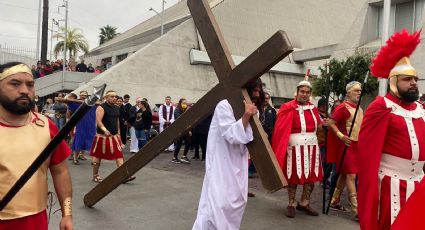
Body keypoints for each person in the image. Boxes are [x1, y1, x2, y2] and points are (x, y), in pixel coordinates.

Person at [357, 29, 425, 230]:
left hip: (419, 184)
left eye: (415, 79)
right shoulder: (381, 107)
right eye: (407, 79)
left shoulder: (421, 110)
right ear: (394, 82)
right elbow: (367, 151)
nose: (413, 83)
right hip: (390, 185)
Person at [0, 62, 72, 229]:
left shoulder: (47, 126)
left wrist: (67, 214)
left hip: (34, 222)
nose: (25, 90)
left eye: (30, 85)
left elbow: (60, 171)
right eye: (15, 84)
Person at [192, 79, 260, 230]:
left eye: (258, 90)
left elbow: (251, 136)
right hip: (221, 162)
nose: (257, 94)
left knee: (236, 202)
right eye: (254, 90)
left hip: (238, 162)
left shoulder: (254, 109)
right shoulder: (224, 105)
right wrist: (246, 116)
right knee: (217, 204)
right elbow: (231, 135)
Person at [272, 79, 322, 218]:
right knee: (294, 177)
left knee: (311, 177)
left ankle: (304, 203)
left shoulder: (314, 108)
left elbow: (318, 125)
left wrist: (325, 126)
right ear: (297, 92)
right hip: (294, 148)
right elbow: (280, 129)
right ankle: (291, 203)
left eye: (307, 92)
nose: (304, 94)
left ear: (310, 94)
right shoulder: (287, 107)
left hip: (312, 147)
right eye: (302, 91)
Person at [327, 81, 363, 218]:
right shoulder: (342, 107)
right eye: (356, 90)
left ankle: (334, 200)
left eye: (360, 90)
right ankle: (357, 210)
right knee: (351, 175)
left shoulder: (359, 108)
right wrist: (341, 136)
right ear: (348, 93)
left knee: (345, 174)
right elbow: (331, 122)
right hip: (346, 145)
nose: (359, 93)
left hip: (357, 146)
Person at [89, 90, 135, 183]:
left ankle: (124, 176)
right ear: (106, 97)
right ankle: (95, 175)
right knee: (97, 157)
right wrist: (105, 130)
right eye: (112, 96)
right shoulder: (101, 107)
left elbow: (117, 121)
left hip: (114, 137)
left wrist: (118, 133)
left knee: (119, 156)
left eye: (115, 96)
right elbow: (98, 121)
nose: (114, 98)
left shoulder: (116, 108)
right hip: (102, 137)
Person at [67, 90, 96, 165]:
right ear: (79, 96)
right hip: (80, 125)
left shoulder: (93, 104)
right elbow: (68, 101)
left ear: (87, 96)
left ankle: (93, 160)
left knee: (92, 143)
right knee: (78, 142)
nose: (83, 96)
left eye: (85, 95)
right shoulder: (77, 104)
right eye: (82, 95)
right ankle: (75, 158)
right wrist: (75, 100)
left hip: (91, 126)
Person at [172, 98, 192, 163]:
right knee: (179, 144)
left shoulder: (186, 109)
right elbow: (179, 120)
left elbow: (188, 120)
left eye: (186, 103)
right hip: (179, 129)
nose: (185, 104)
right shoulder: (177, 110)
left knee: (188, 142)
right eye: (183, 103)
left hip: (186, 129)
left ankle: (184, 156)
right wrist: (186, 112)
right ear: (180, 103)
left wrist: (189, 130)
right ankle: (174, 157)